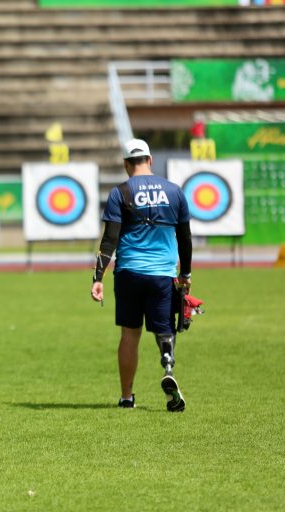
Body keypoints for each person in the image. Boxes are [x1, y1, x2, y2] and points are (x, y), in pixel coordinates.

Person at [90, 139, 192, 412]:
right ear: (150, 160)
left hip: (129, 274)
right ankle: (167, 363)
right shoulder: (174, 191)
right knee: (164, 327)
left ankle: (126, 396)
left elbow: (109, 239)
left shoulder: (120, 192)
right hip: (162, 274)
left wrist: (97, 277)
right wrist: (186, 274)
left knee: (129, 334)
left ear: (126, 164)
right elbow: (185, 238)